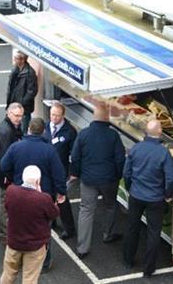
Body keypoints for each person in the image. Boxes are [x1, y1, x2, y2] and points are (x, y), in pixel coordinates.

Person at [0, 117, 66, 272]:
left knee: (18, 226)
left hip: (20, 194)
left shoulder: (16, 147)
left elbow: (4, 165)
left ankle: (19, 258)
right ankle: (43, 262)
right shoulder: (50, 150)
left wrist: (12, 178)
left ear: (28, 128)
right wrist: (61, 192)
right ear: (43, 131)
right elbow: (59, 174)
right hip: (43, 196)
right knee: (43, 230)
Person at [122, 119, 173, 277]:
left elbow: (126, 172)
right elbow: (171, 177)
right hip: (155, 198)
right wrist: (167, 195)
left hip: (136, 195)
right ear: (160, 132)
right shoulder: (163, 153)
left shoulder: (136, 148)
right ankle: (148, 269)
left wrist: (129, 188)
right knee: (153, 233)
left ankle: (128, 259)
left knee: (132, 227)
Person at [70, 104, 125, 259]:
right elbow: (120, 159)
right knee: (111, 206)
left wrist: (76, 173)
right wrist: (118, 175)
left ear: (94, 117)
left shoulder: (84, 134)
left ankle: (82, 248)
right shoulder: (113, 136)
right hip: (109, 180)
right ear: (107, 118)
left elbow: (75, 157)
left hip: (88, 179)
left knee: (86, 210)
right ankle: (108, 234)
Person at [0, 165, 60, 284]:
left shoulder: (11, 191)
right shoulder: (43, 199)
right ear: (38, 181)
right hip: (35, 246)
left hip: (14, 242)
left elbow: (6, 207)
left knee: (8, 273)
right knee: (30, 279)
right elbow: (54, 214)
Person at [43, 101, 77, 240]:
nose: (54, 118)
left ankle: (69, 229)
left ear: (63, 115)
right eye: (52, 114)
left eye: (57, 115)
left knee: (62, 200)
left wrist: (72, 172)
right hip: (46, 170)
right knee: (48, 198)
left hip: (60, 171)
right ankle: (52, 221)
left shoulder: (70, 131)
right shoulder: (45, 127)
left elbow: (74, 154)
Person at [0, 102, 24, 244]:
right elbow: (4, 158)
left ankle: (7, 232)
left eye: (20, 116)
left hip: (8, 175)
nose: (19, 118)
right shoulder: (6, 132)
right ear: (8, 113)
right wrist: (8, 177)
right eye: (16, 115)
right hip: (6, 176)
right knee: (6, 204)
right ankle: (5, 234)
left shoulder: (12, 127)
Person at [6, 50, 38, 134]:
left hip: (24, 108)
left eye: (16, 58)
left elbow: (32, 91)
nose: (14, 60)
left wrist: (21, 104)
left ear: (22, 60)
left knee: (23, 129)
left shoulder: (30, 73)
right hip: (14, 103)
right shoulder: (15, 70)